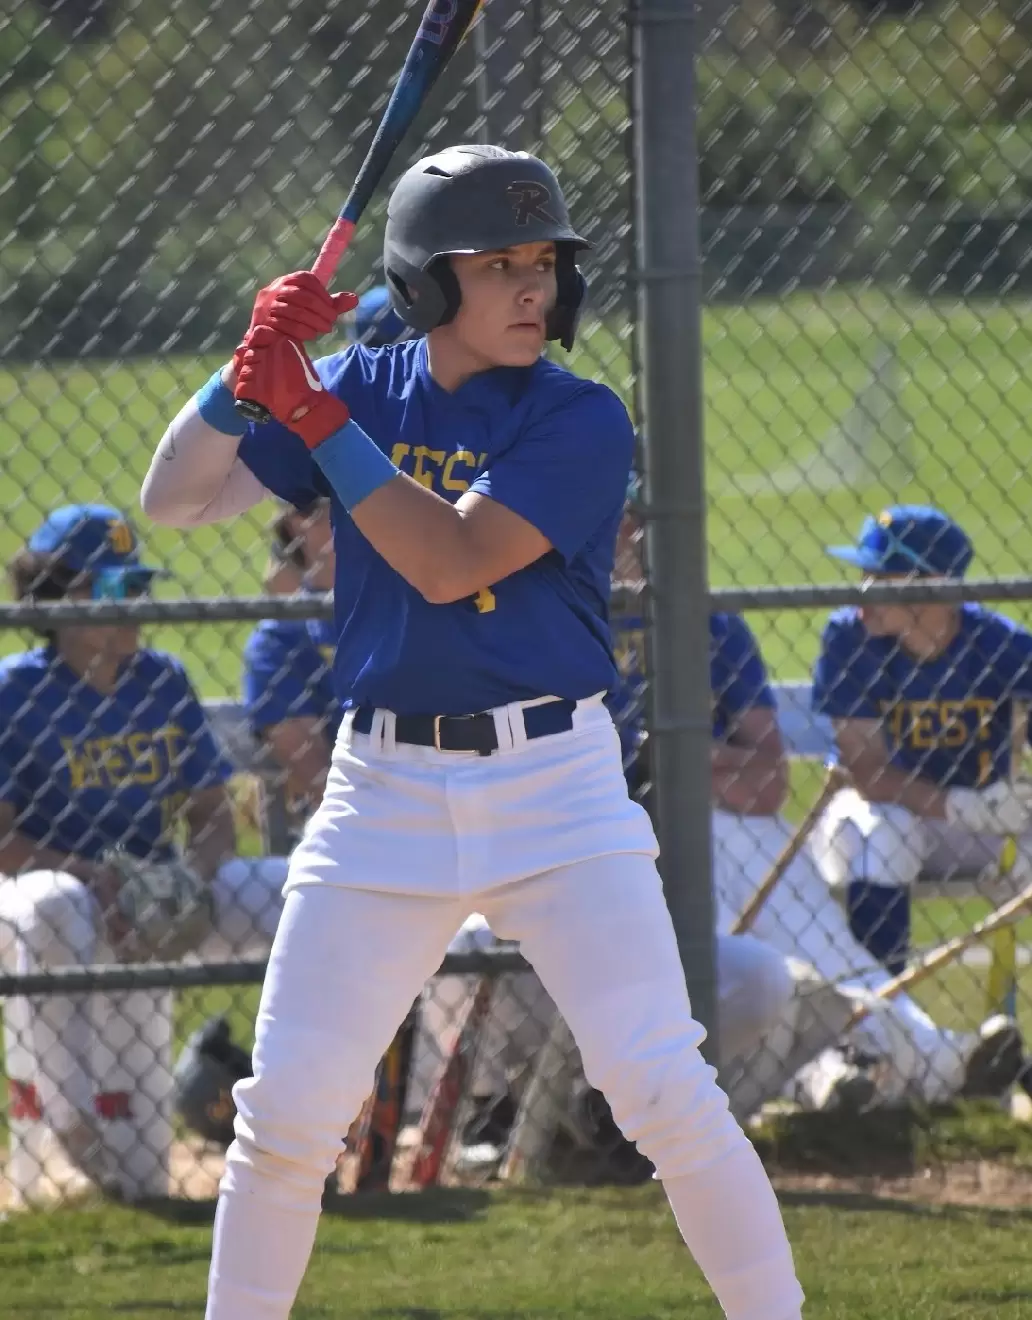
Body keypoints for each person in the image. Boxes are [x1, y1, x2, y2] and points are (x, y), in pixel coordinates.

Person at [141, 144, 805, 1320]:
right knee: (285, 1117)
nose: (534, 285)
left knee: (665, 1090)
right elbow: (177, 499)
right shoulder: (366, 385)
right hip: (381, 790)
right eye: (498, 264)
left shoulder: (580, 416)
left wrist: (315, 416)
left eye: (543, 261)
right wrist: (240, 379)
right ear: (425, 281)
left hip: (556, 784)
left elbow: (450, 562)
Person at [0, 504, 290, 1203]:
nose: (136, 603)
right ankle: (69, 1121)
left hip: (157, 889)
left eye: (139, 586)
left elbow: (212, 816)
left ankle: (312, 1108)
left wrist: (186, 877)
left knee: (298, 891)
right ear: (59, 598)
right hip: (46, 892)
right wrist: (94, 878)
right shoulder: (17, 690)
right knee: (56, 907)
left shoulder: (160, 678)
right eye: (115, 589)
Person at [709, 606, 1025, 1111]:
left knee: (825, 942)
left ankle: (932, 1057)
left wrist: (687, 757)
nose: (866, 593)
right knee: (734, 960)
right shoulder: (572, 621)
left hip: (728, 815)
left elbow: (768, 783)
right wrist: (715, 761)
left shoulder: (713, 624)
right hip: (628, 835)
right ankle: (825, 1072)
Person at [810, 505, 1032, 976]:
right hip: (873, 817)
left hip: (985, 820)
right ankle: (880, 1007)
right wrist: (957, 805)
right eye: (864, 574)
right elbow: (867, 773)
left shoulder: (1004, 647)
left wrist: (1021, 800)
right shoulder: (849, 638)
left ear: (935, 585)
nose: (863, 591)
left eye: (880, 577)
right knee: (884, 832)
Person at [241, 496, 338, 826]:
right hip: (356, 825)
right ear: (299, 521)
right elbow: (320, 783)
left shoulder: (407, 607)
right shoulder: (278, 641)